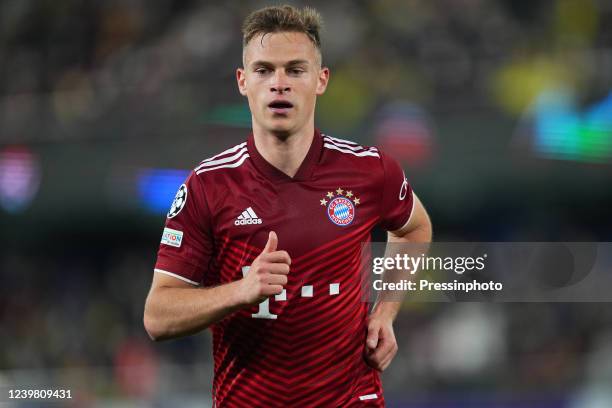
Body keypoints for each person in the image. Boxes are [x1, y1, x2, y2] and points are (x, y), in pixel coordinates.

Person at [144, 4, 432, 407]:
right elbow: (157, 316)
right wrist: (240, 291)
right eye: (264, 70)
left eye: (295, 70)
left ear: (320, 80)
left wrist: (385, 312)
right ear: (243, 82)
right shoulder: (208, 186)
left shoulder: (371, 171)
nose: (279, 84)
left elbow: (415, 227)